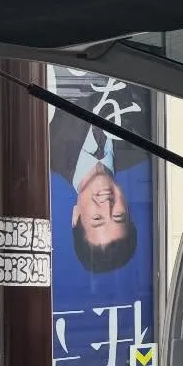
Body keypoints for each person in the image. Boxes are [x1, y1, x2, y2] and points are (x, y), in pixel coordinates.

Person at [49, 107, 141, 274]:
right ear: (128, 210)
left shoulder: (45, 140)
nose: (107, 205)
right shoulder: (142, 146)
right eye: (118, 216)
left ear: (75, 216)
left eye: (97, 218)